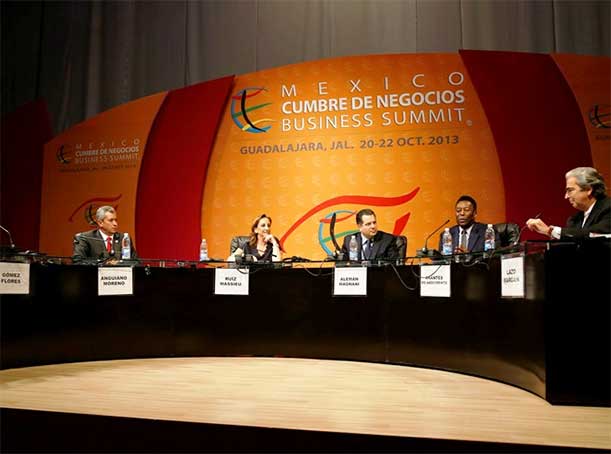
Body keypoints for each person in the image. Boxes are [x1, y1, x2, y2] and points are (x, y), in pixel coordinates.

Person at [527, 167, 610, 240]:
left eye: (570, 190)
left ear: (588, 189)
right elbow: (570, 242)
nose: (566, 196)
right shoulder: (574, 220)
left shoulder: (608, 208)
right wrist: (547, 233)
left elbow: (594, 234)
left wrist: (550, 231)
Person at [73, 205, 138, 263]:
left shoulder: (124, 238)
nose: (115, 224)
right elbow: (78, 262)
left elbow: (135, 262)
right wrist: (104, 263)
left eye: (116, 220)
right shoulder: (85, 238)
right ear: (100, 223)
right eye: (111, 220)